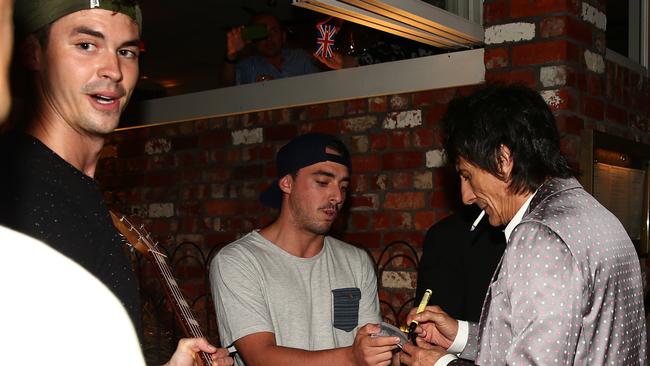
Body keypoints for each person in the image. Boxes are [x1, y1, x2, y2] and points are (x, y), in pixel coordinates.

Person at [0, 1, 232, 365]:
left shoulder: (78, 192)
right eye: (86, 45)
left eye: (126, 51)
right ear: (34, 53)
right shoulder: (18, 192)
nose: (113, 70)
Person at [399, 84, 647, 365]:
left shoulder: (543, 237)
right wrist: (460, 336)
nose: (466, 197)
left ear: (503, 160)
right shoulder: (592, 213)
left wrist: (440, 364)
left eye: (467, 175)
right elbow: (552, 343)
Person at [210, 133, 400, 366]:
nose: (337, 196)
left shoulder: (356, 261)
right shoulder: (239, 261)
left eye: (343, 186)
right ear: (287, 183)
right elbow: (261, 357)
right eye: (322, 182)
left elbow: (369, 348)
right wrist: (352, 357)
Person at [416, 204, 505, 323]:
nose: (466, 196)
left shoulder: (519, 233)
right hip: (457, 334)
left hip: (467, 334)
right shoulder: (443, 234)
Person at [222, 13, 319, 85]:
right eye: (263, 33)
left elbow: (318, 86)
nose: (269, 37)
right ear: (253, 41)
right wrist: (231, 54)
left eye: (274, 31)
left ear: (283, 36)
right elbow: (227, 87)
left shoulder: (300, 58)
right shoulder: (247, 66)